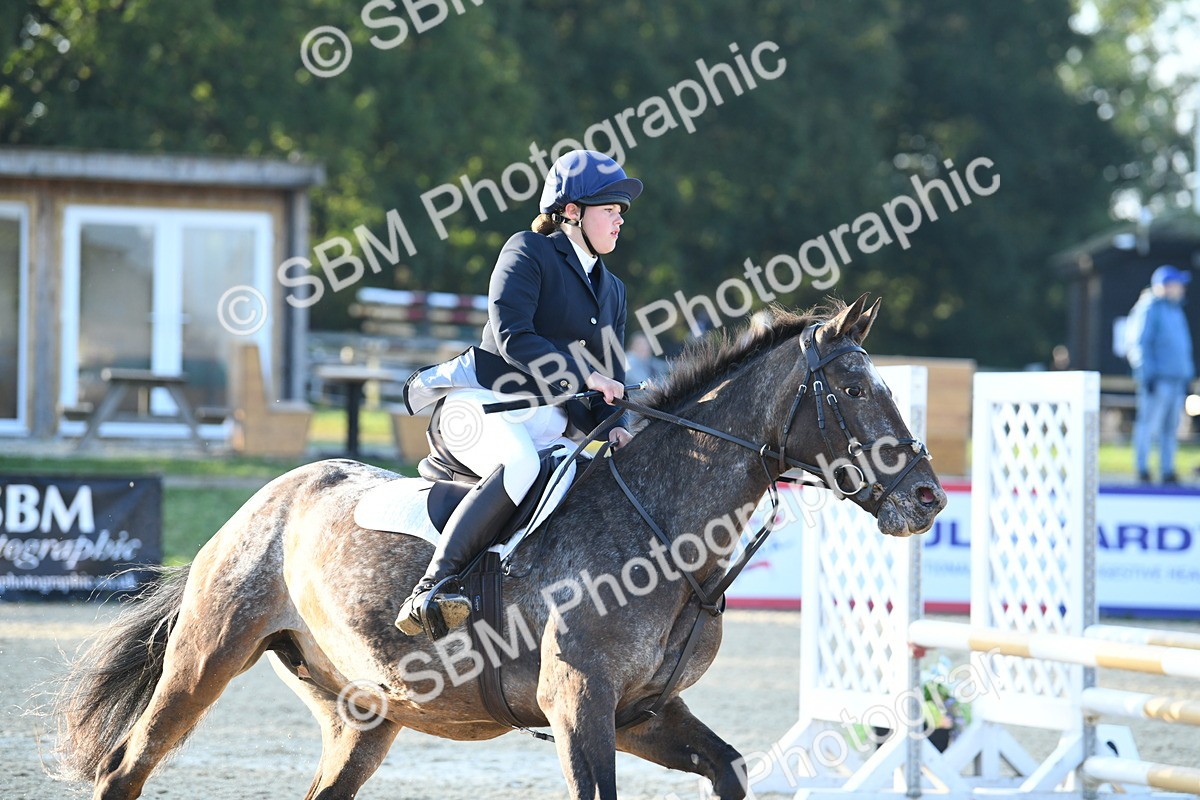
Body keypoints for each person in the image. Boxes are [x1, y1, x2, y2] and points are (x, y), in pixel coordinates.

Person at [396, 150, 639, 638]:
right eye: (609, 209)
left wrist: (620, 429)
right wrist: (584, 377)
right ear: (571, 212)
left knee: (598, 481)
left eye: (620, 213)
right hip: (483, 404)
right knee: (524, 466)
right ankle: (431, 588)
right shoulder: (528, 250)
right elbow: (512, 335)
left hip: (546, 419)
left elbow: (610, 379)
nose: (618, 220)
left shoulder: (613, 290)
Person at [1125, 264, 1195, 484]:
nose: (1182, 289)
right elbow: (1139, 344)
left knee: (1170, 429)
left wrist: (1187, 376)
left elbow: (1182, 348)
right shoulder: (1149, 308)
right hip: (1158, 380)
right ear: (1165, 286)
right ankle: (1142, 468)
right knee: (1149, 425)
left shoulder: (1175, 310)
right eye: (1177, 284)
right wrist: (1147, 375)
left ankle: (1167, 469)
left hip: (1175, 380)